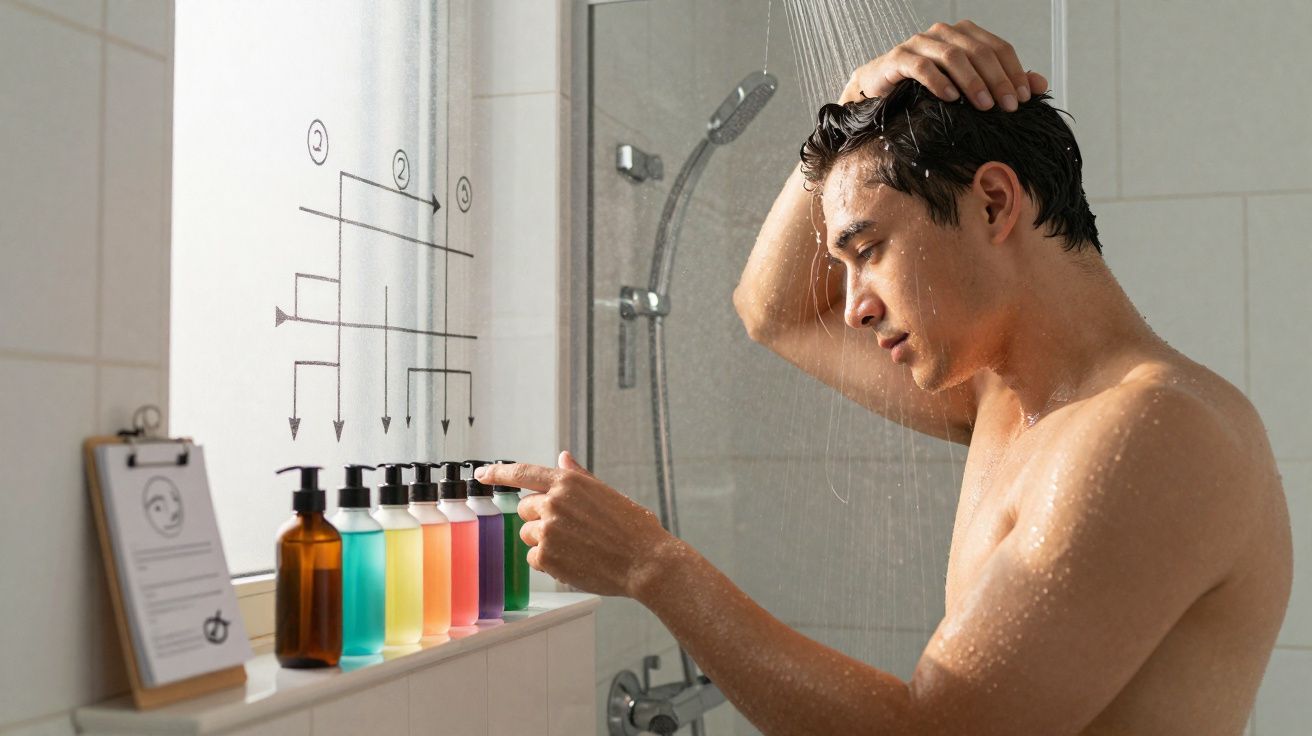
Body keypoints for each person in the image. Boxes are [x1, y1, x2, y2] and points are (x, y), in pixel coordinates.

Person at [476, 20, 1292, 735]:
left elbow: (935, 731)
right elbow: (776, 312)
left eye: (867, 251)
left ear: (993, 205)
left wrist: (653, 566)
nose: (854, 305)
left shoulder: (1155, 431)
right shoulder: (1009, 395)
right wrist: (854, 102)